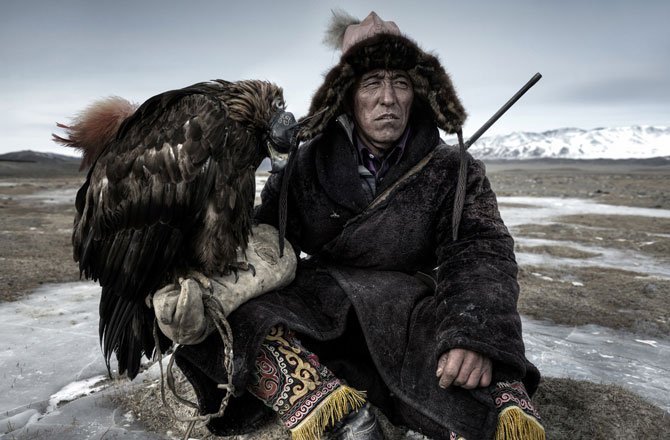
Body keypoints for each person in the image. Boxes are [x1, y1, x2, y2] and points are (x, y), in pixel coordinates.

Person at [166, 11, 545, 440]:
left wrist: (474, 335)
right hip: (324, 304)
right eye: (371, 83)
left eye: (400, 82)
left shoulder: (454, 170)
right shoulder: (304, 165)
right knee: (221, 322)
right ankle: (337, 413)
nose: (388, 98)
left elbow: (480, 251)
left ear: (416, 92)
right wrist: (206, 280)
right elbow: (267, 241)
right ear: (347, 93)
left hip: (409, 312)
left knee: (490, 391)